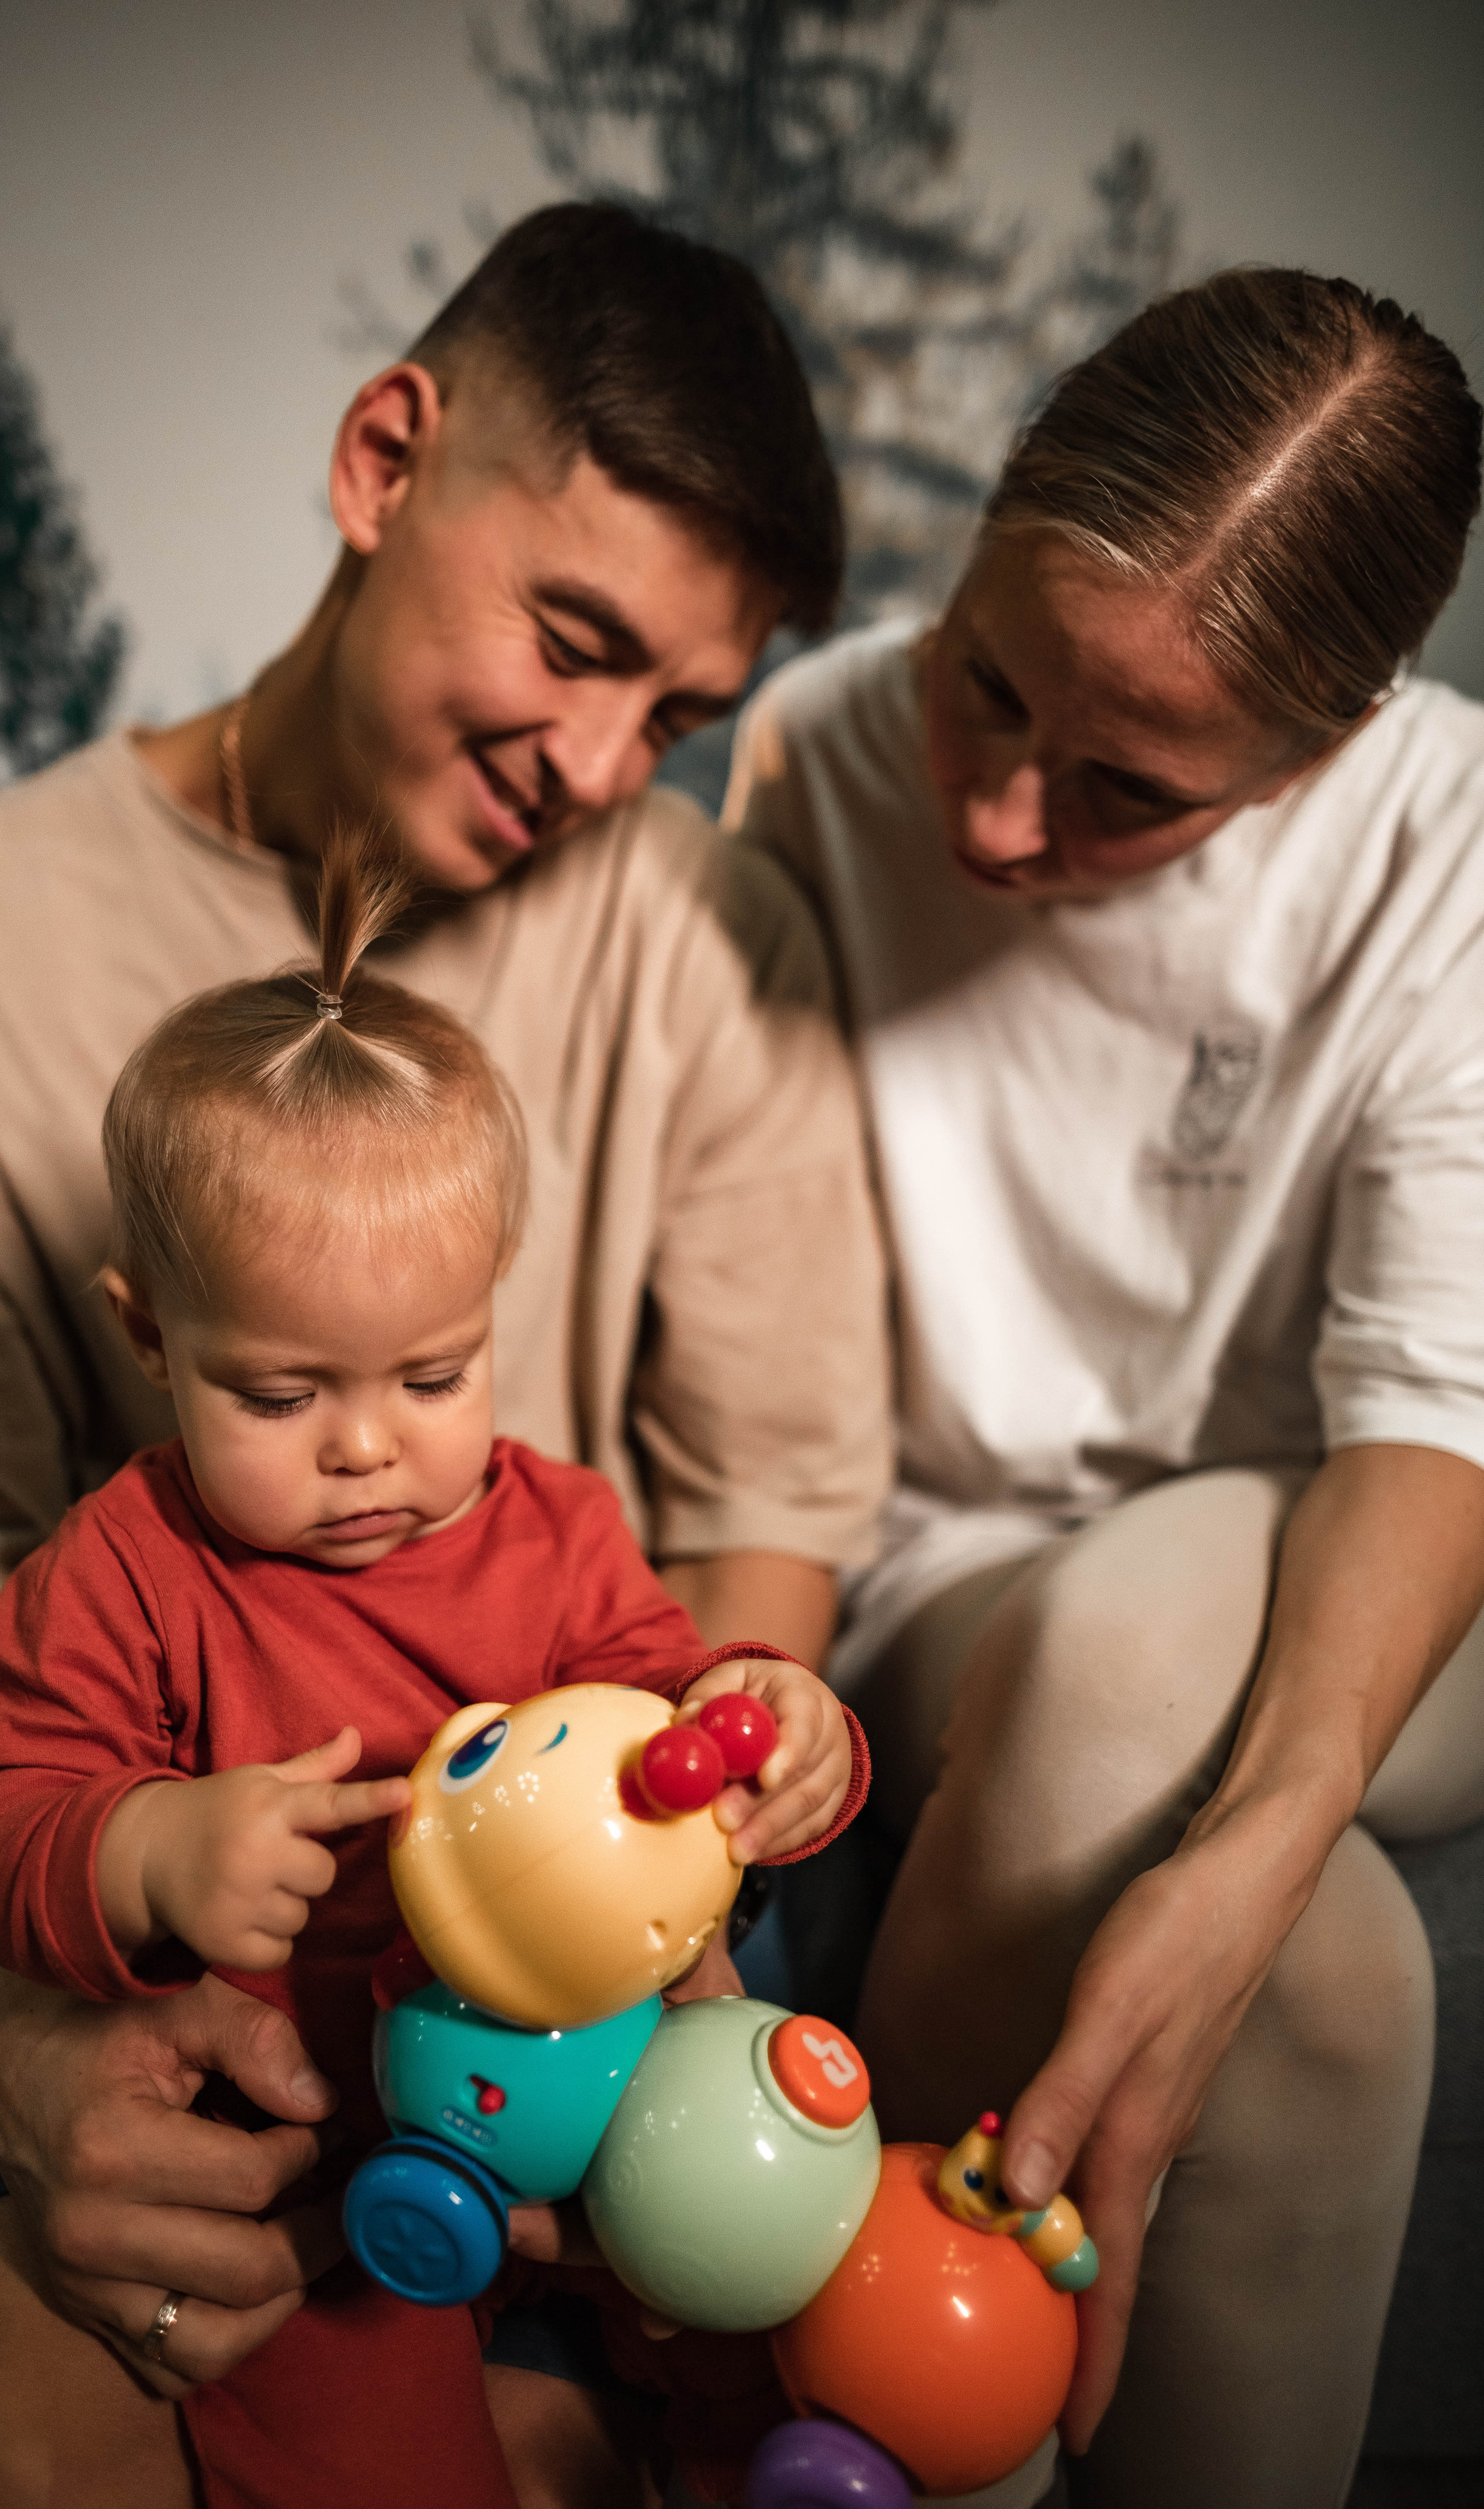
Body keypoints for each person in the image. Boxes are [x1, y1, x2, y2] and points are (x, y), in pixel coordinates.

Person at [0, 204, 890, 2505]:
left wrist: (692, 1861)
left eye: (676, 716)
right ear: (385, 460)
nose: (603, 762)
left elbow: (761, 1537)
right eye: (575, 644)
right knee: (26, 2448)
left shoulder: (716, 940)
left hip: (594, 1930)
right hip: (148, 1900)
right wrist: (22, 2024)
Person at [724, 267, 1484, 2509]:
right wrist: (1267, 1898)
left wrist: (1259, 1832)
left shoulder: (1447, 843)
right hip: (959, 1562)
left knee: (1146, 1645)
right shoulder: (815, 749)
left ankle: (828, 2392)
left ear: (1328, 747)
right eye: (986, 679)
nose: (991, 818)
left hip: (1375, 1547)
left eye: (1127, 790)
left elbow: (1432, 1408)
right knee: (1330, 1979)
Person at [0, 836, 863, 2507]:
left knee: (768, 2285)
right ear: (148, 1337)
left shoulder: (557, 1530)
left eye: (434, 1377)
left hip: (597, 2080)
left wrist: (775, 1722)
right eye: (280, 1397)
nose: (367, 1449)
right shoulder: (120, 1575)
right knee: (374, 2437)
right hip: (320, 2157)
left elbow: (672, 1707)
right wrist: (146, 1845)